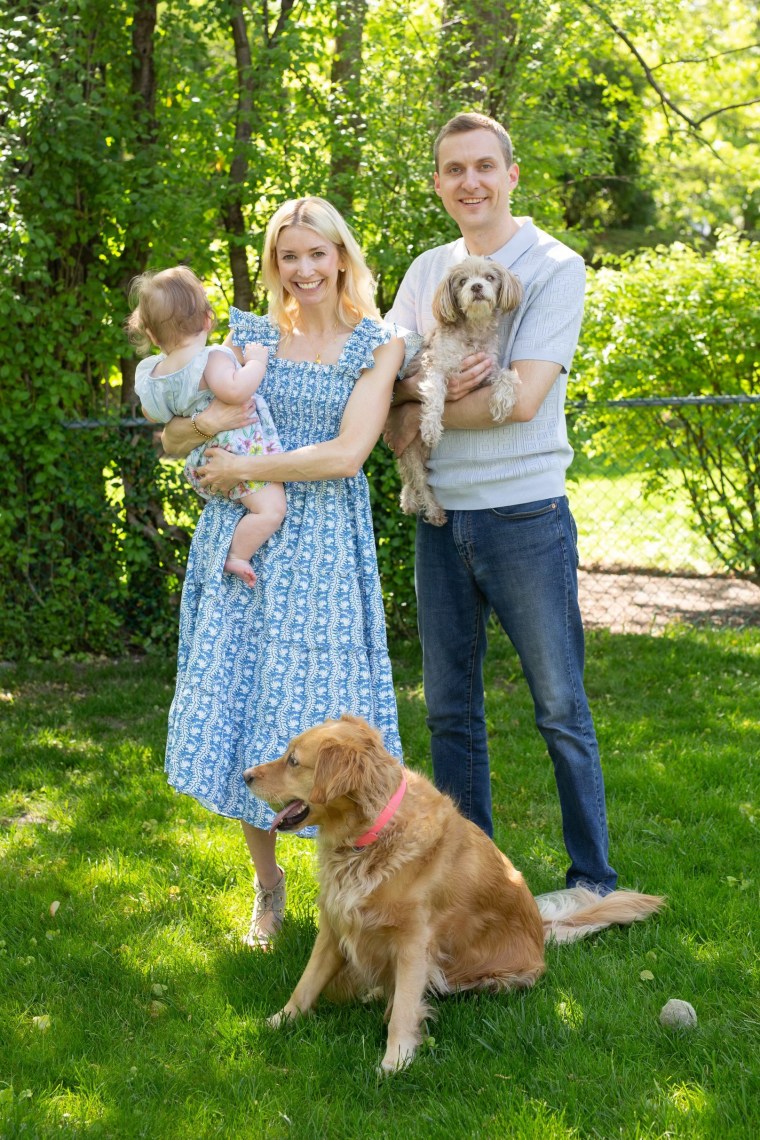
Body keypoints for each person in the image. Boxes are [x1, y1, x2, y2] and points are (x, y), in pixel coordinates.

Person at [160, 197, 405, 947]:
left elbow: (347, 455)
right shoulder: (251, 336)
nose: (303, 271)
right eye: (288, 256)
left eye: (316, 254)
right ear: (275, 263)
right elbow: (172, 440)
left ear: (341, 257)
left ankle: (352, 891)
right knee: (246, 706)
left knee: (324, 722)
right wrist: (206, 435)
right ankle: (268, 892)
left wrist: (246, 464)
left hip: (325, 547)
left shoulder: (378, 342)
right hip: (246, 544)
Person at [384, 112, 617, 894]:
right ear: (439, 183)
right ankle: (471, 883)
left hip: (524, 514)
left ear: (512, 174)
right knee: (450, 712)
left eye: (485, 166)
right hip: (441, 518)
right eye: (455, 169)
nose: (470, 182)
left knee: (560, 706)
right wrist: (410, 400)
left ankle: (592, 878)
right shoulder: (426, 272)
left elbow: (524, 399)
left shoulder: (553, 264)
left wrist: (416, 414)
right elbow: (385, 373)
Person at [128, 266, 286, 588]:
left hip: (203, 461)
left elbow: (152, 414)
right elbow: (236, 391)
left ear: (153, 335)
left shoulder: (152, 374)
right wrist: (257, 361)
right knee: (271, 510)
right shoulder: (211, 359)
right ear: (207, 320)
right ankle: (237, 555)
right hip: (238, 453)